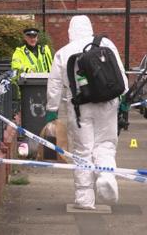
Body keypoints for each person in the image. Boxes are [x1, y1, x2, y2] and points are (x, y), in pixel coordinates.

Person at [45, 15, 128, 210]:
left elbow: (55, 84)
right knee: (106, 144)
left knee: (83, 150)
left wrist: (52, 110)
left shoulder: (63, 53)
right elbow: (119, 71)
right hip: (108, 102)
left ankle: (84, 199)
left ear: (70, 31)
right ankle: (106, 176)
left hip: (80, 108)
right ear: (90, 28)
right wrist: (124, 98)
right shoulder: (105, 43)